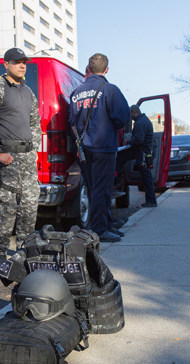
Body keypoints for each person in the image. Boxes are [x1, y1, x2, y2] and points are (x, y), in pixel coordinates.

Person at [0, 48, 41, 267]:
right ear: (6, 64)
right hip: (8, 159)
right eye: (17, 62)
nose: (22, 66)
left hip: (27, 159)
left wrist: (34, 148)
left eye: (24, 62)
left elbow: (35, 122)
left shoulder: (28, 92)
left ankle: (24, 252)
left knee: (29, 208)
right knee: (6, 209)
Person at [69, 53, 130, 242]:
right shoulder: (110, 89)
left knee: (94, 188)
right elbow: (122, 118)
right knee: (102, 189)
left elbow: (71, 121)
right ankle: (100, 229)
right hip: (103, 147)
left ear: (88, 69)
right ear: (106, 69)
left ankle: (107, 224)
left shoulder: (76, 92)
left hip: (84, 149)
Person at [116, 105, 157, 207]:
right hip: (144, 152)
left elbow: (138, 140)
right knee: (146, 176)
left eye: (130, 114)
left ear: (134, 112)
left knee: (146, 177)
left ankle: (151, 201)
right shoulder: (144, 121)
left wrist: (128, 142)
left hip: (142, 152)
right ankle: (151, 200)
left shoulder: (140, 123)